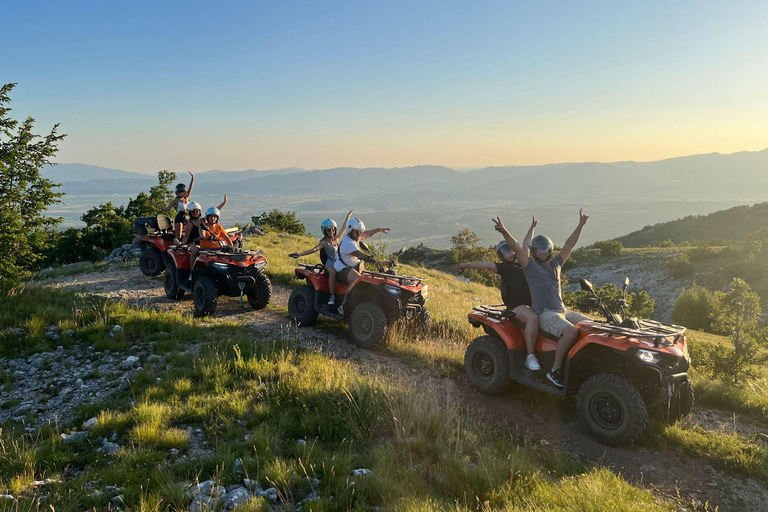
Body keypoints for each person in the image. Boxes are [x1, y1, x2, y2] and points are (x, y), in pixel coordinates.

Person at [493, 210, 591, 388]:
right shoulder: (529, 266)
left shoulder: (556, 263)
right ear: (533, 250)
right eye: (540, 249)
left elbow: (570, 244)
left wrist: (580, 225)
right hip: (544, 313)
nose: (543, 252)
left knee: (593, 326)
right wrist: (504, 231)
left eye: (546, 248)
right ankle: (555, 371)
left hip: (562, 311)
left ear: (550, 249)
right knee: (571, 332)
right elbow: (515, 246)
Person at [452, 217, 540, 371]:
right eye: (505, 252)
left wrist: (532, 227)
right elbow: (484, 265)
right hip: (517, 306)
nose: (510, 253)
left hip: (533, 303)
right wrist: (465, 264)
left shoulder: (523, 262)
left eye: (510, 249)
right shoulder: (504, 268)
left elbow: (525, 244)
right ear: (501, 255)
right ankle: (530, 356)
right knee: (532, 319)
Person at [288, 210, 354, 305]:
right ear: (324, 231)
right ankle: (332, 296)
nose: (332, 231)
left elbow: (343, 229)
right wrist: (300, 254)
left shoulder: (336, 239)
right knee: (333, 272)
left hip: (338, 262)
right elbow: (314, 249)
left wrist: (348, 217)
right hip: (330, 263)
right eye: (329, 230)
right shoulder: (323, 243)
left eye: (333, 229)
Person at [333, 218, 391, 315]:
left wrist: (378, 229)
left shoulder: (354, 237)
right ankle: (342, 306)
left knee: (374, 278)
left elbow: (366, 234)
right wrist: (381, 262)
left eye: (360, 232)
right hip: (341, 269)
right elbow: (363, 256)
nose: (359, 234)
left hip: (354, 267)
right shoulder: (349, 243)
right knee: (358, 279)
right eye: (357, 232)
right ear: (350, 231)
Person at [189, 206, 232, 271]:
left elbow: (227, 238)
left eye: (214, 217)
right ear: (207, 217)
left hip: (218, 250)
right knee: (202, 259)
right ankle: (192, 272)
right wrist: (208, 238)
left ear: (217, 218)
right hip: (206, 249)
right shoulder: (204, 225)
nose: (213, 218)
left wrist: (231, 247)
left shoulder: (219, 227)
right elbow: (202, 235)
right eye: (211, 217)